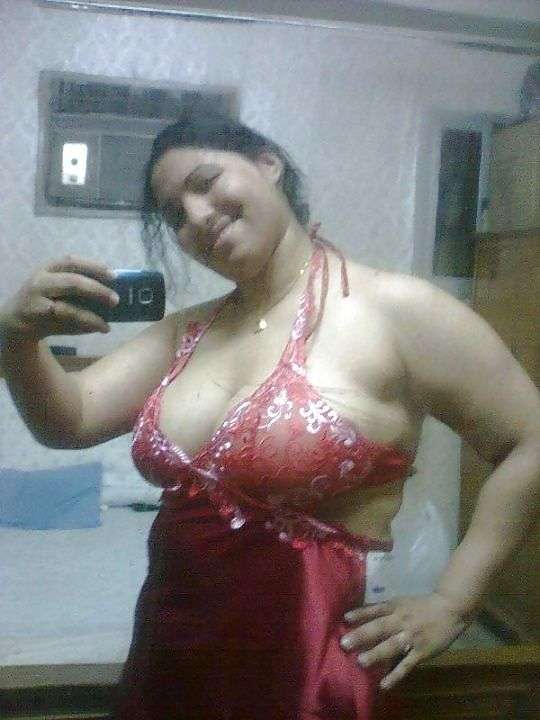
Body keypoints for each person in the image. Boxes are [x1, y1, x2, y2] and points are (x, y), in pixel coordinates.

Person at [1, 109, 539, 720]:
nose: (196, 216)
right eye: (175, 215)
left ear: (268, 164)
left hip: (303, 675)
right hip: (170, 657)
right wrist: (15, 338)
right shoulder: (186, 334)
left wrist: (454, 601)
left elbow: (529, 439)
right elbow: (70, 420)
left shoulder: (394, 311)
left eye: (206, 182)